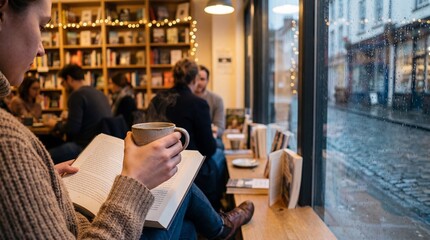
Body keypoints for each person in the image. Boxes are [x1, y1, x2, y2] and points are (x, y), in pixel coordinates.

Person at [0, 0, 254, 238]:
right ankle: (222, 227)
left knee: (187, 225)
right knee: (185, 185)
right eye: (42, 25)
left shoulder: (11, 140)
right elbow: (208, 148)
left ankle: (220, 227)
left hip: (83, 217)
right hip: (101, 226)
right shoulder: (7, 141)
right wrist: (134, 182)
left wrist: (43, 177)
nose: (43, 49)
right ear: (3, 9)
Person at [147, 58, 225, 210]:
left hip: (158, 167)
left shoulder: (157, 100)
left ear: (174, 76)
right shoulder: (198, 104)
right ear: (195, 79)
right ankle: (217, 206)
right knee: (219, 155)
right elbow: (208, 149)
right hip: (191, 169)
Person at [47, 64, 112, 164]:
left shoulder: (77, 95)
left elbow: (72, 130)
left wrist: (55, 124)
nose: (63, 86)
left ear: (68, 79)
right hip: (102, 146)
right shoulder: (99, 93)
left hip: (84, 147)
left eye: (62, 82)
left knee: (43, 156)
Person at [195, 65, 225, 140]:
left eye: (202, 79)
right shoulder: (186, 99)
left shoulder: (217, 100)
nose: (199, 82)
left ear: (207, 80)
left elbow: (220, 128)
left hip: (210, 138)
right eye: (197, 79)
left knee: (219, 148)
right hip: (191, 139)